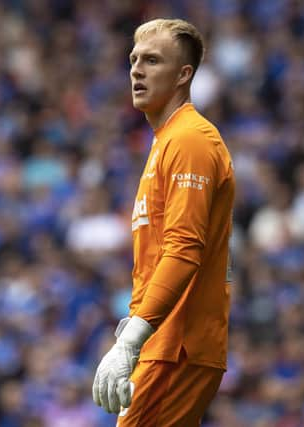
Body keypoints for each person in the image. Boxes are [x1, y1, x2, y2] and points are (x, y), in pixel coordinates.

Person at [92, 18, 235, 426]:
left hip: (177, 345)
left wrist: (131, 342)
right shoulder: (167, 141)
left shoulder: (190, 141)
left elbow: (185, 249)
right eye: (134, 60)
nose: (137, 69)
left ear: (183, 74)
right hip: (165, 343)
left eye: (153, 61)